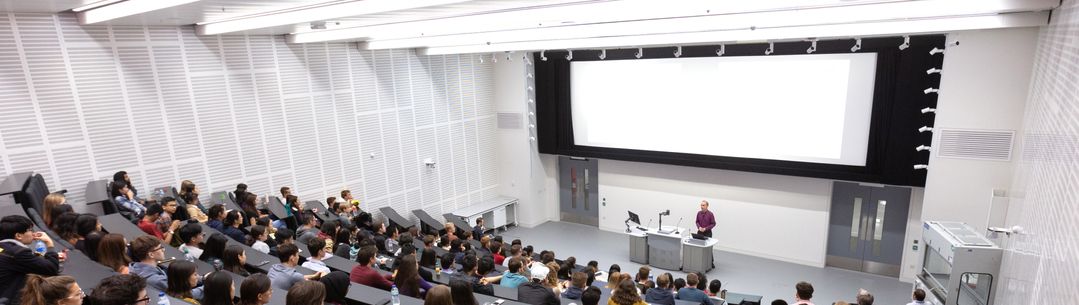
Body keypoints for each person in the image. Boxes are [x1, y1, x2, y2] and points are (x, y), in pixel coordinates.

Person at [0, 215, 61, 304]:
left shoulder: (4, 248)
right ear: (18, 235)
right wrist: (50, 245)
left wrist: (42, 253)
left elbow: (27, 262)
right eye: (30, 230)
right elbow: (52, 269)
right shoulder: (19, 253)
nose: (33, 233)